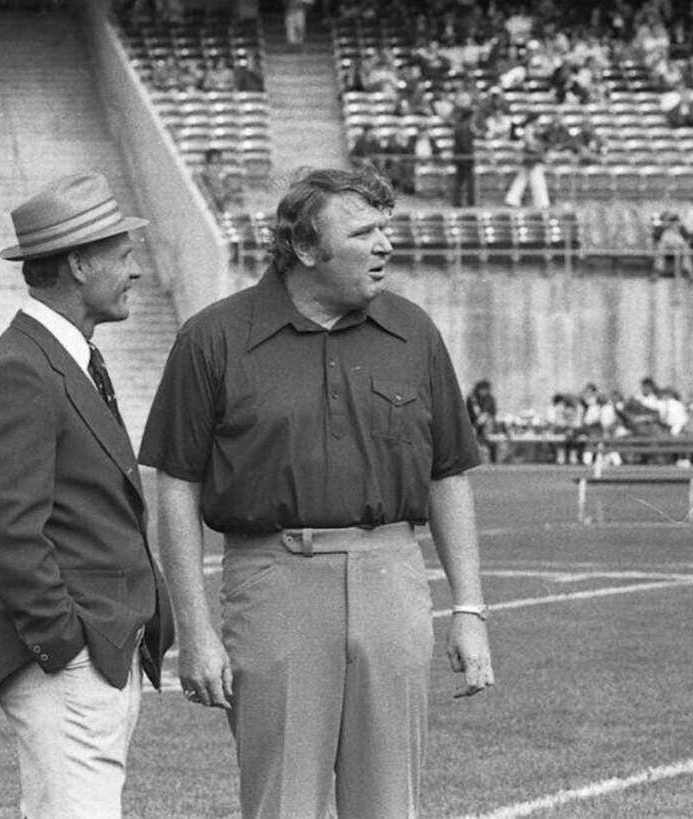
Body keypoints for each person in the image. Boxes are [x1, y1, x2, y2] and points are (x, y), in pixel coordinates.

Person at [138, 166, 494, 819]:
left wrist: (469, 608)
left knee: (391, 806)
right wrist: (195, 628)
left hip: (392, 578)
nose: (385, 244)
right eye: (363, 232)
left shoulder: (413, 333)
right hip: (274, 583)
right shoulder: (213, 339)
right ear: (303, 248)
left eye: (387, 228)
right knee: (283, 805)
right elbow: (177, 486)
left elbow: (448, 474)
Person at [0, 171, 174, 819]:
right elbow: (8, 533)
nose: (135, 271)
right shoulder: (23, 370)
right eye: (122, 255)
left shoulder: (62, 356)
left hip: (98, 648)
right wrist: (66, 646)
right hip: (73, 657)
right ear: (79, 265)